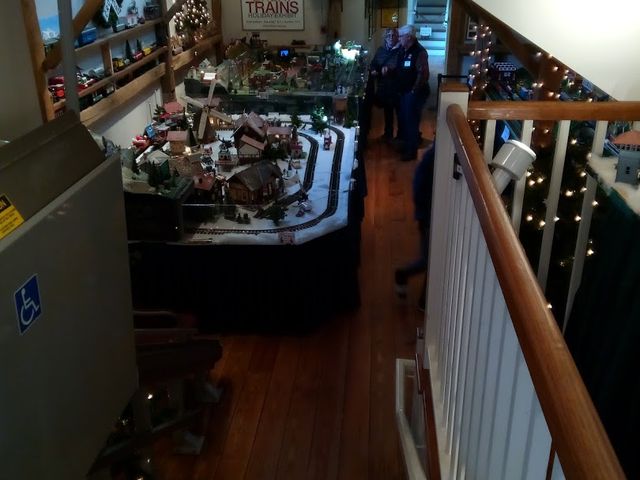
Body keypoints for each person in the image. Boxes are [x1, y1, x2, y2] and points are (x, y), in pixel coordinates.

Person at [395, 143, 435, 309]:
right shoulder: (433, 157)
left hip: (427, 214)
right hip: (428, 216)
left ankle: (424, 300)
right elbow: (420, 189)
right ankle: (405, 276)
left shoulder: (432, 155)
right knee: (429, 260)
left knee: (430, 258)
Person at [396, 24, 430, 161]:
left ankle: (411, 151)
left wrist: (413, 91)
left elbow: (423, 75)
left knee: (411, 121)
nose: (399, 38)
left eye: (401, 36)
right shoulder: (403, 49)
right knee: (404, 119)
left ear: (409, 37)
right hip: (404, 91)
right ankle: (407, 145)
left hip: (414, 93)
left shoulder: (420, 52)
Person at [369, 28, 401, 141]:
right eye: (388, 36)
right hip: (384, 86)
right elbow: (374, 63)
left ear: (397, 37)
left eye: (393, 35)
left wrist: (390, 70)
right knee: (388, 112)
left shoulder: (401, 51)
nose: (391, 38)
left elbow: (402, 68)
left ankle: (401, 137)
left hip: (397, 87)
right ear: (385, 38)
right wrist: (373, 69)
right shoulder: (381, 50)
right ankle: (388, 134)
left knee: (400, 113)